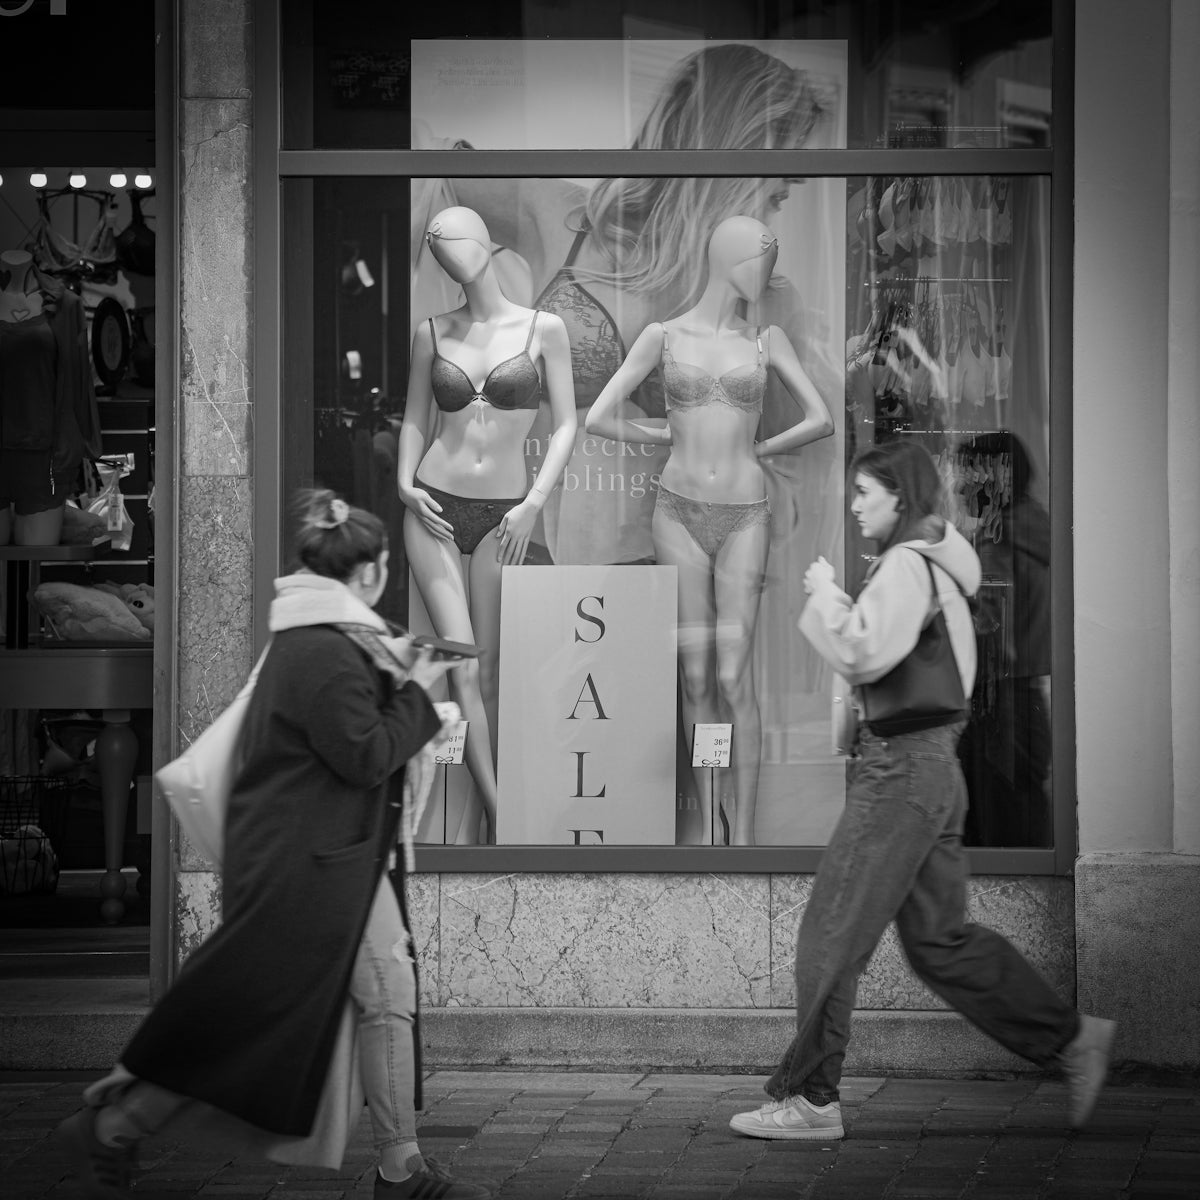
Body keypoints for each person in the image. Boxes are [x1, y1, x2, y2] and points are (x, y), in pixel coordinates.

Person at [55, 489, 492, 1199]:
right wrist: (420, 695)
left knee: (374, 994)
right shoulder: (324, 649)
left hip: (332, 859)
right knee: (251, 1020)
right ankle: (114, 1124)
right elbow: (362, 753)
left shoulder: (325, 638)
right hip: (313, 866)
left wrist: (400, 674)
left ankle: (401, 1166)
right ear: (373, 573)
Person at [729, 439, 1115, 1140]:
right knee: (940, 942)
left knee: (830, 933)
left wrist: (825, 596)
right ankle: (1071, 1040)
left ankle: (812, 1100)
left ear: (899, 499)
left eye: (864, 494)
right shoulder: (936, 563)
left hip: (900, 773)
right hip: (934, 768)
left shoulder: (906, 565)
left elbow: (863, 650)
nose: (852, 506)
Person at [450, 42, 840, 568]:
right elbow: (430, 178)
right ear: (736, 145)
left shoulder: (767, 303)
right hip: (528, 549)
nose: (790, 189)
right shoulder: (563, 218)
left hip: (675, 576)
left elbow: (795, 477)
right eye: (780, 172)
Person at [585, 216, 833, 844]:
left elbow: (822, 418)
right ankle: (710, 830)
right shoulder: (663, 337)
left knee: (732, 677)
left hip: (746, 509)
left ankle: (743, 837)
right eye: (760, 259)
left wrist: (763, 448)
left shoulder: (766, 339)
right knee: (696, 676)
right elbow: (598, 417)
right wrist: (664, 433)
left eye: (773, 261)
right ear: (727, 258)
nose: (767, 273)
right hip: (677, 509)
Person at [397, 206, 577, 844]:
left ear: (482, 244)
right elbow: (416, 417)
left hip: (505, 513)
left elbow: (567, 425)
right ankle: (506, 818)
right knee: (463, 665)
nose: (446, 253)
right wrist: (402, 483)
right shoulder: (432, 331)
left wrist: (534, 502)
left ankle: (475, 824)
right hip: (435, 505)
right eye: (435, 248)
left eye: (453, 242)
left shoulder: (543, 329)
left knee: (492, 670)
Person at [0, 248, 101, 547]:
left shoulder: (65, 305)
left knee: (34, 555)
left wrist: (83, 443)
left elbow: (79, 379)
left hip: (43, 457)